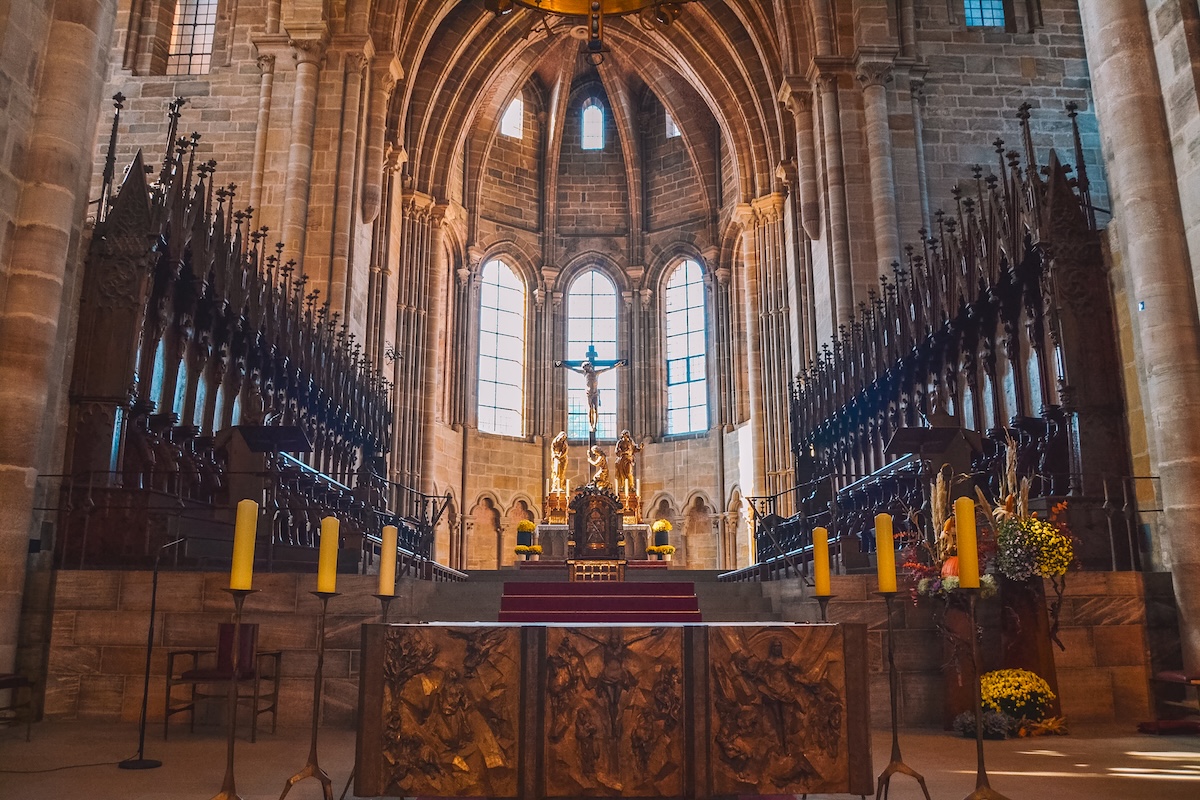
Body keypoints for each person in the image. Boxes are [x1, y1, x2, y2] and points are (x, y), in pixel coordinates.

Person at [555, 358, 627, 433]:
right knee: (590, 409)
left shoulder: (596, 373)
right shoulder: (584, 373)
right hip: (588, 393)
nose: (585, 369)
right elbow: (573, 369)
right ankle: (590, 425)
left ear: (589, 366)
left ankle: (594, 425)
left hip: (595, 393)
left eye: (585, 367)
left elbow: (607, 369)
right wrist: (562, 364)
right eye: (584, 368)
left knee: (595, 409)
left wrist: (617, 365)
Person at [613, 429, 642, 495]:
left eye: (627, 434)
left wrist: (640, 448)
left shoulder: (630, 441)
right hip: (622, 459)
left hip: (628, 459)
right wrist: (623, 452)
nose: (626, 436)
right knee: (621, 473)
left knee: (629, 473)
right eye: (624, 434)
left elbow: (635, 449)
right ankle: (622, 486)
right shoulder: (620, 442)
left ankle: (631, 486)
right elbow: (616, 451)